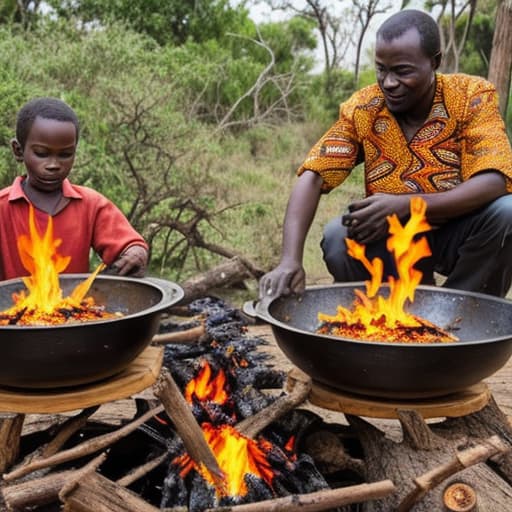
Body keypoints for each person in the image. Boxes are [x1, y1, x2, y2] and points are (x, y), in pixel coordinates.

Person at [259, 9, 512, 300]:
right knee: (338, 238)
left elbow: (495, 180)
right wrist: (289, 260)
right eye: (382, 69)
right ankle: (384, 323)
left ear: (435, 62)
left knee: (508, 212)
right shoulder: (366, 107)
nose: (389, 82)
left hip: (456, 231)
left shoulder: (471, 96)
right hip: (391, 241)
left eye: (402, 71)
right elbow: (314, 175)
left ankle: (464, 316)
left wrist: (407, 205)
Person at [0, 96, 149, 280]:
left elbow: (129, 244)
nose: (53, 164)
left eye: (65, 154)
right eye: (41, 154)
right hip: (13, 307)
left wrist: (135, 253)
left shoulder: (90, 204)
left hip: (75, 307)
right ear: (18, 150)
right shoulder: (3, 208)